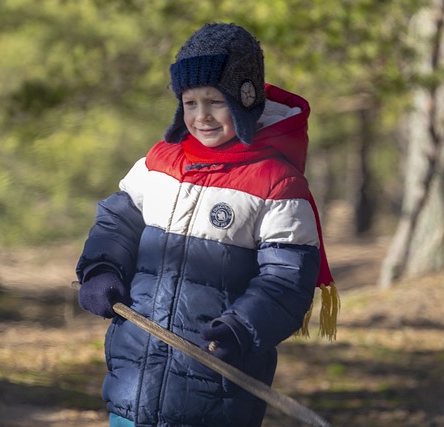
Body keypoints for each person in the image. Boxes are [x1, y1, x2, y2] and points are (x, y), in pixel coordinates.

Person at [76, 22, 338, 427]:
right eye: (190, 102)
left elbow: (287, 281)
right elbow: (117, 223)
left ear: (245, 98)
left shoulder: (275, 183)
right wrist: (100, 269)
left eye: (215, 102)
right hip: (134, 379)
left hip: (216, 390)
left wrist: (243, 327)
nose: (201, 116)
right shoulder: (160, 162)